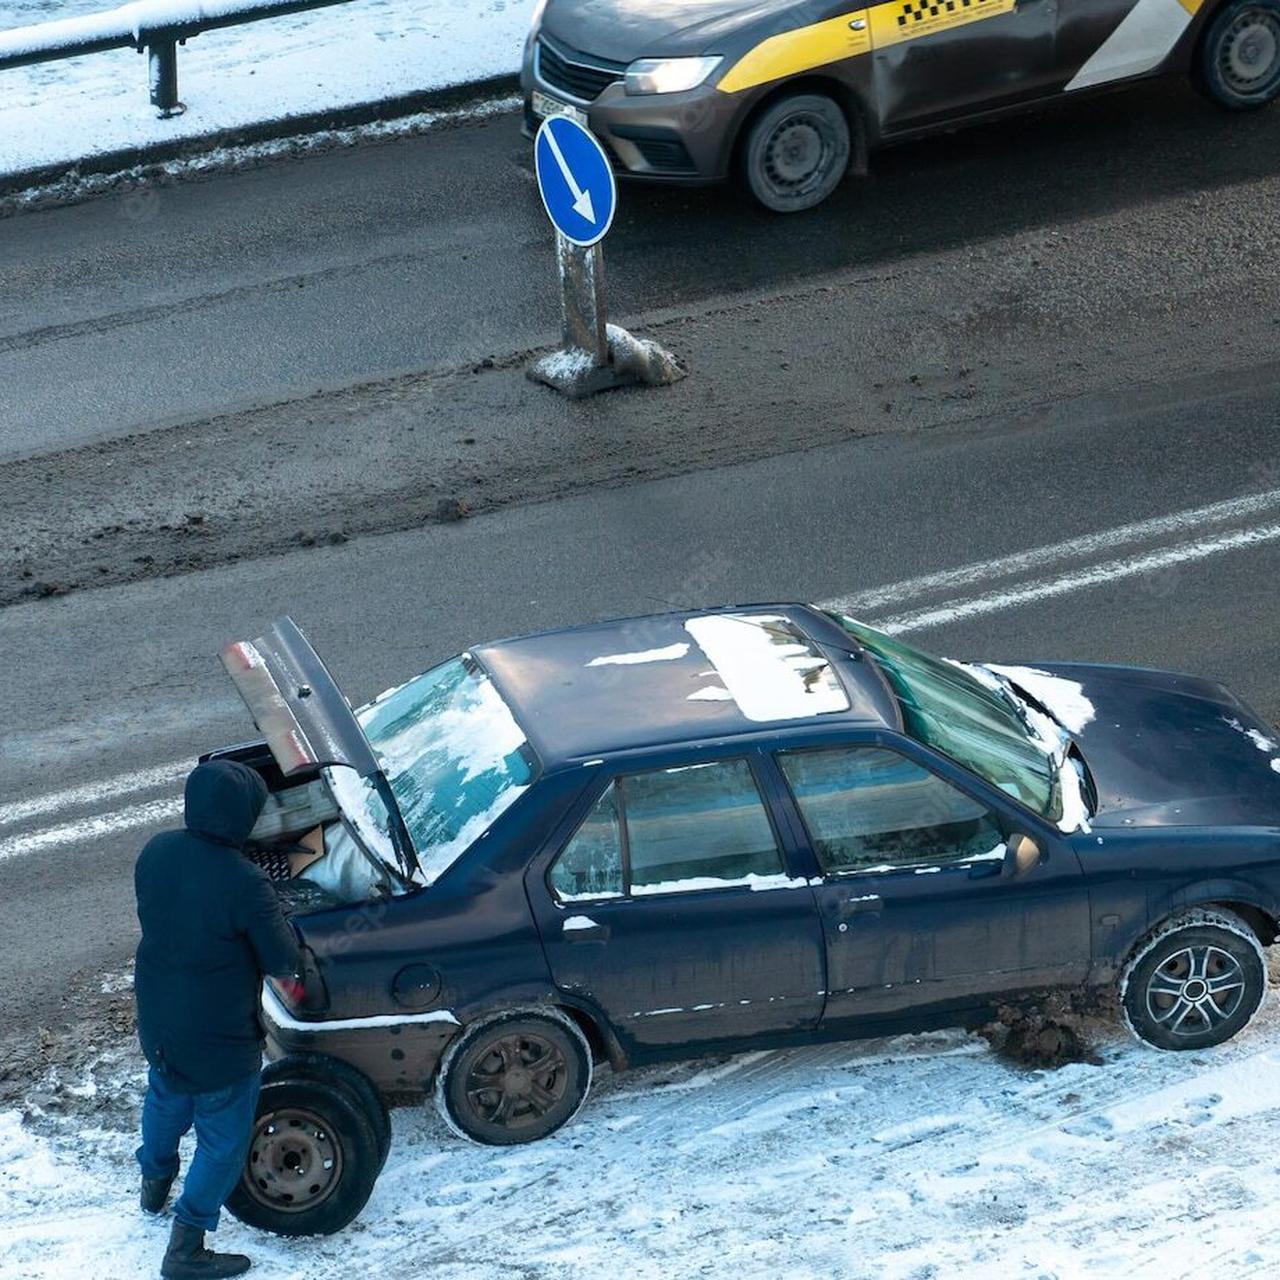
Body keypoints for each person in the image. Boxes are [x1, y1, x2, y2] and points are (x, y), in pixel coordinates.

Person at [134, 759, 302, 1279]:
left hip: (159, 1017)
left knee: (165, 1094)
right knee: (223, 1142)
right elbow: (282, 961)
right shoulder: (244, 882)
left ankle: (154, 1183)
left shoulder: (157, 850)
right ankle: (186, 1246)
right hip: (219, 1038)